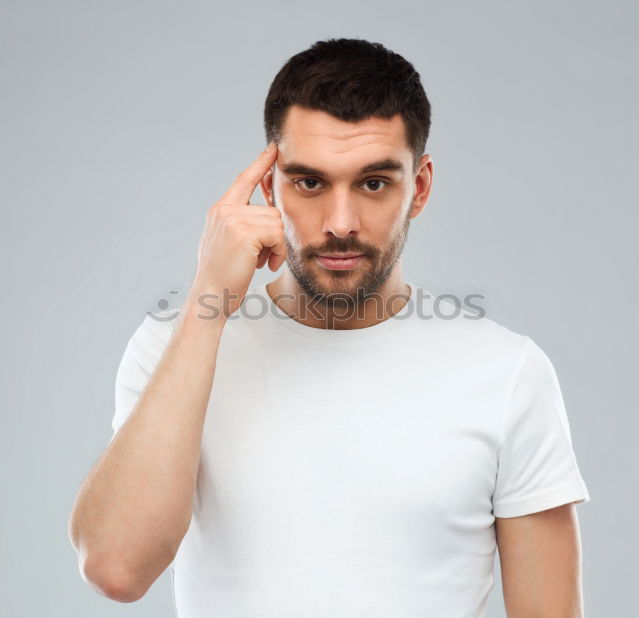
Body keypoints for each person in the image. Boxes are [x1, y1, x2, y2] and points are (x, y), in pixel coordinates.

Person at [68, 37, 591, 617]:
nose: (340, 224)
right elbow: (116, 567)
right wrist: (208, 299)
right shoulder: (177, 345)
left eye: (372, 183)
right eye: (309, 183)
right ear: (269, 187)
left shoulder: (507, 373)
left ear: (417, 187)